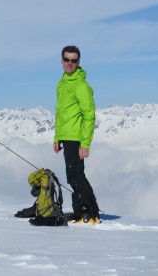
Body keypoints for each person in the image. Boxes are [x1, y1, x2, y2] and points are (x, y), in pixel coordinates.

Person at [53, 45, 100, 224]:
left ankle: (90, 211)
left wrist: (85, 143)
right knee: (72, 175)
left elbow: (89, 115)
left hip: (76, 137)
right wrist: (57, 138)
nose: (70, 63)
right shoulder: (62, 83)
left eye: (73, 60)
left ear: (78, 62)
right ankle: (81, 211)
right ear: (62, 61)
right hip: (66, 136)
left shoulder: (81, 86)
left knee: (76, 175)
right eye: (67, 60)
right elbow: (60, 113)